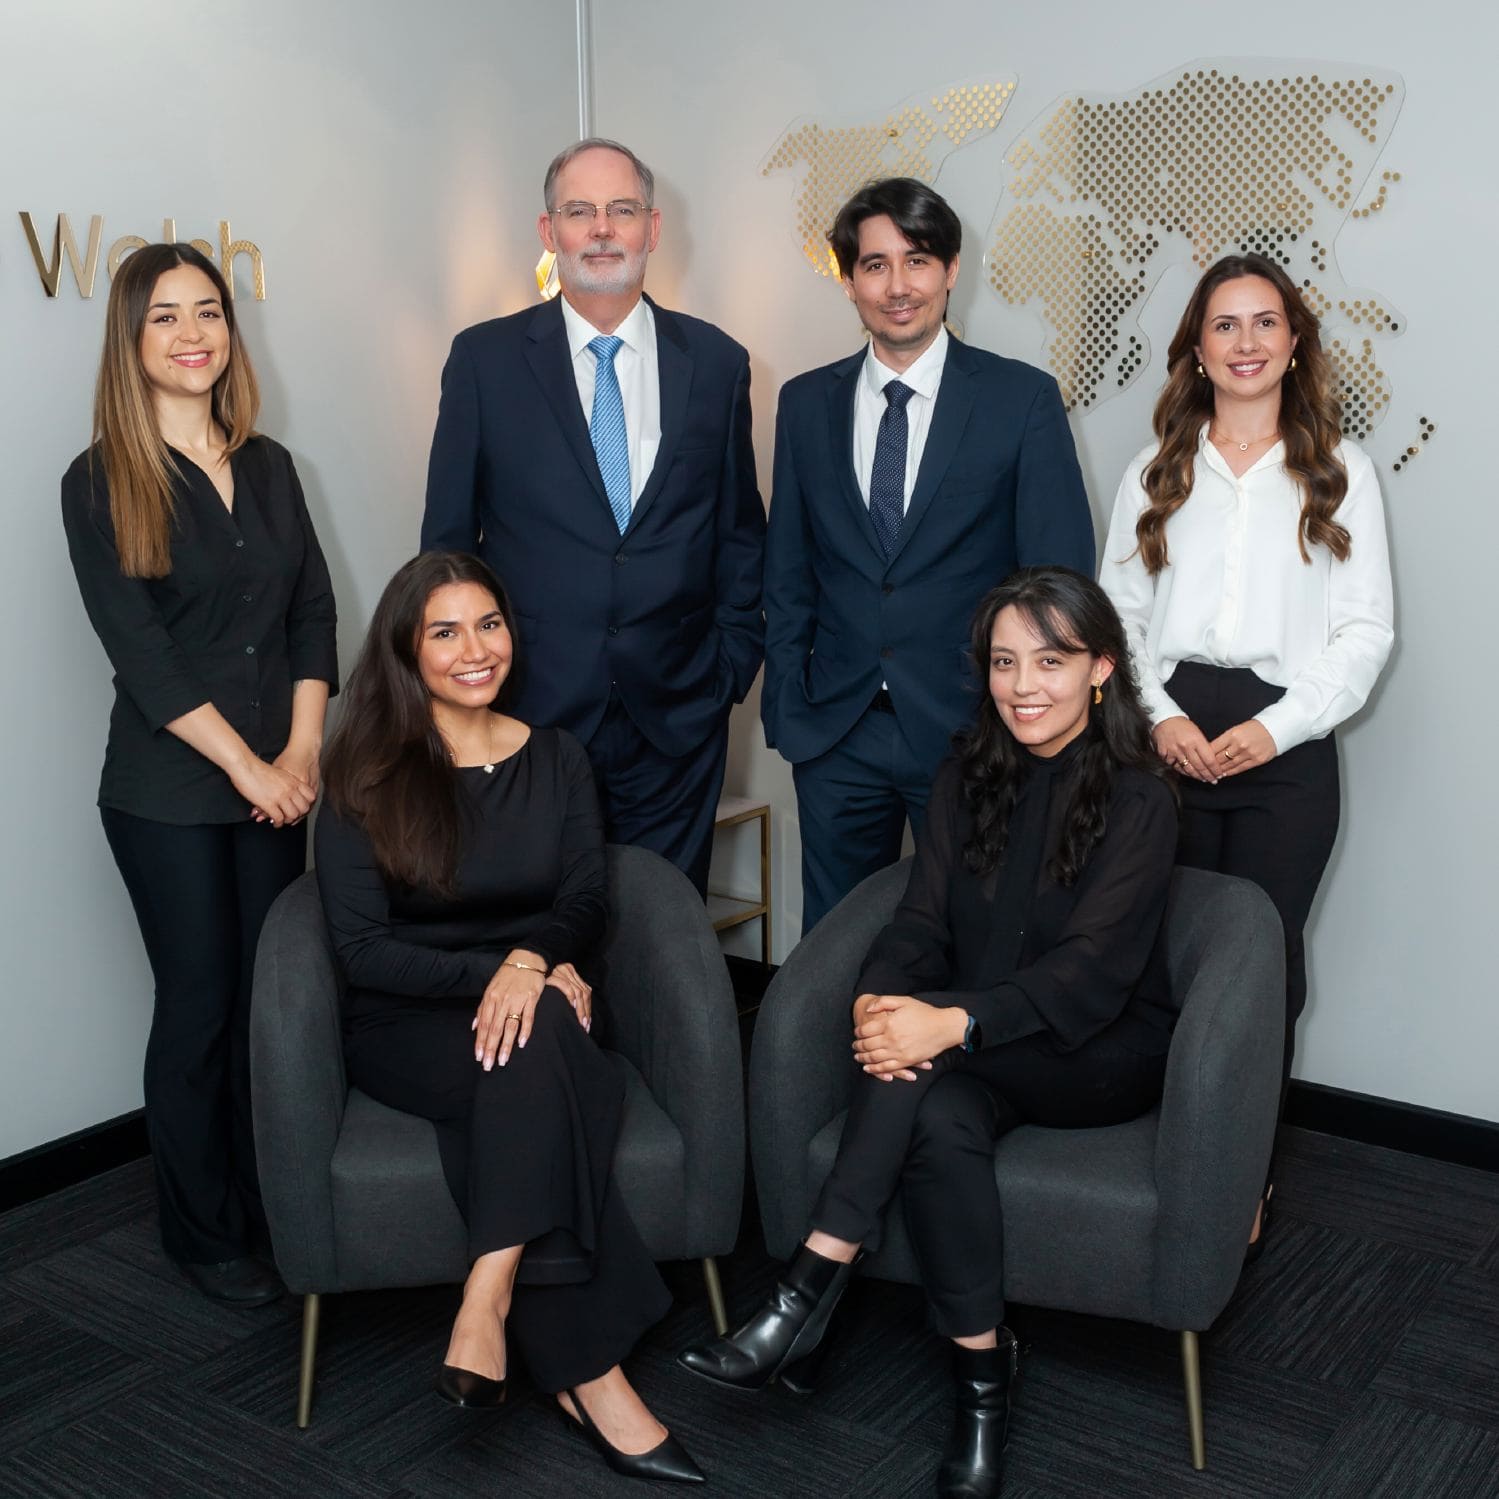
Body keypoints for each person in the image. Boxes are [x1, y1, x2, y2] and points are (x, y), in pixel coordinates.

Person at [682, 567, 1177, 1499]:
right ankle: (981, 1383)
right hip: (976, 1041)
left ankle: (801, 1296)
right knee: (938, 1113)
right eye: (1003, 661)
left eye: (1051, 660)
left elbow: (1091, 973)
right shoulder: (963, 772)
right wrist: (878, 1001)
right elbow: (918, 921)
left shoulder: (1140, 799)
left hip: (1097, 1048)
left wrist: (945, 1019)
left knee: (927, 1060)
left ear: (1101, 669)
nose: (1024, 684)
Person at [315, 552, 702, 1486]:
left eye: (488, 623)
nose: (475, 648)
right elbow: (361, 950)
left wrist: (535, 964)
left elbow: (584, 900)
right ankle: (591, 1374)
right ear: (408, 650)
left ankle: (486, 1298)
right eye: (445, 631)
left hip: (545, 994)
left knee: (538, 1043)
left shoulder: (557, 756)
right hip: (408, 1020)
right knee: (545, 1048)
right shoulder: (366, 775)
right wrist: (502, 970)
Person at [1098, 252, 1394, 1256]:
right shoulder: (1152, 471)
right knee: (1156, 952)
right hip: (1166, 733)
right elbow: (1115, 620)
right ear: (1196, 346)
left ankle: (1239, 1174)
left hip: (1286, 740)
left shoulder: (1338, 470)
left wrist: (1272, 727)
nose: (1245, 343)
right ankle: (1150, 1153)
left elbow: (1364, 634)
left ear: (1293, 339)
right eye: (1223, 325)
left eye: (1263, 322)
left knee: (1263, 970)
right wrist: (1161, 717)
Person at [61, 242, 338, 1305]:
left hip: (285, 774)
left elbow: (312, 612)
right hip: (168, 795)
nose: (192, 334)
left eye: (209, 312)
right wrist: (250, 769)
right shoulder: (98, 482)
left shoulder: (269, 467)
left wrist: (302, 752)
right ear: (132, 341)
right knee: (200, 1002)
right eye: (166, 316)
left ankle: (269, 1201)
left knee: (272, 1002)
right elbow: (147, 657)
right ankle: (201, 1228)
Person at [421, 138, 765, 896]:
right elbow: (445, 551)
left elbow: (739, 532)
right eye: (580, 212)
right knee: (542, 937)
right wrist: (463, 686)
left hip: (677, 718)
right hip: (528, 716)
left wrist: (728, 667)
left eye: (621, 210)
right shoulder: (484, 361)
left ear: (653, 226)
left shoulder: (716, 363)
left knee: (664, 945)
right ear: (549, 232)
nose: (602, 229)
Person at [762, 177, 1096, 935]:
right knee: (835, 947)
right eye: (874, 265)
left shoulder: (1020, 399)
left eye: (916, 261)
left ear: (950, 270)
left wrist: (1030, 715)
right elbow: (787, 572)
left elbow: (1059, 583)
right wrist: (787, 703)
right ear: (848, 281)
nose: (897, 285)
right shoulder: (806, 403)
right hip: (836, 733)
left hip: (975, 730)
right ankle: (834, 1062)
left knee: (977, 939)